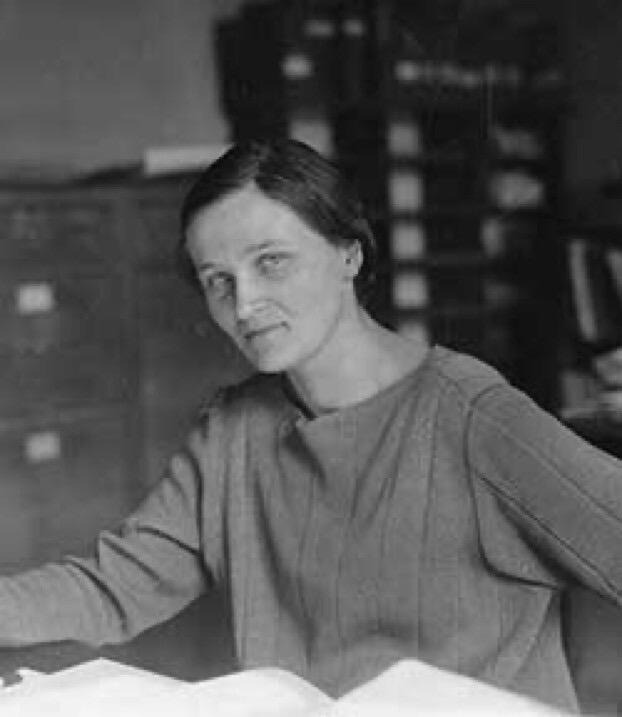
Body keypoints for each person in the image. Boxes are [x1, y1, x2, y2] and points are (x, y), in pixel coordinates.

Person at [1, 138, 621, 714]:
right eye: (219, 281)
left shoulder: (471, 417)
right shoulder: (233, 431)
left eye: (271, 262)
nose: (245, 304)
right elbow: (118, 583)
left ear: (349, 254)